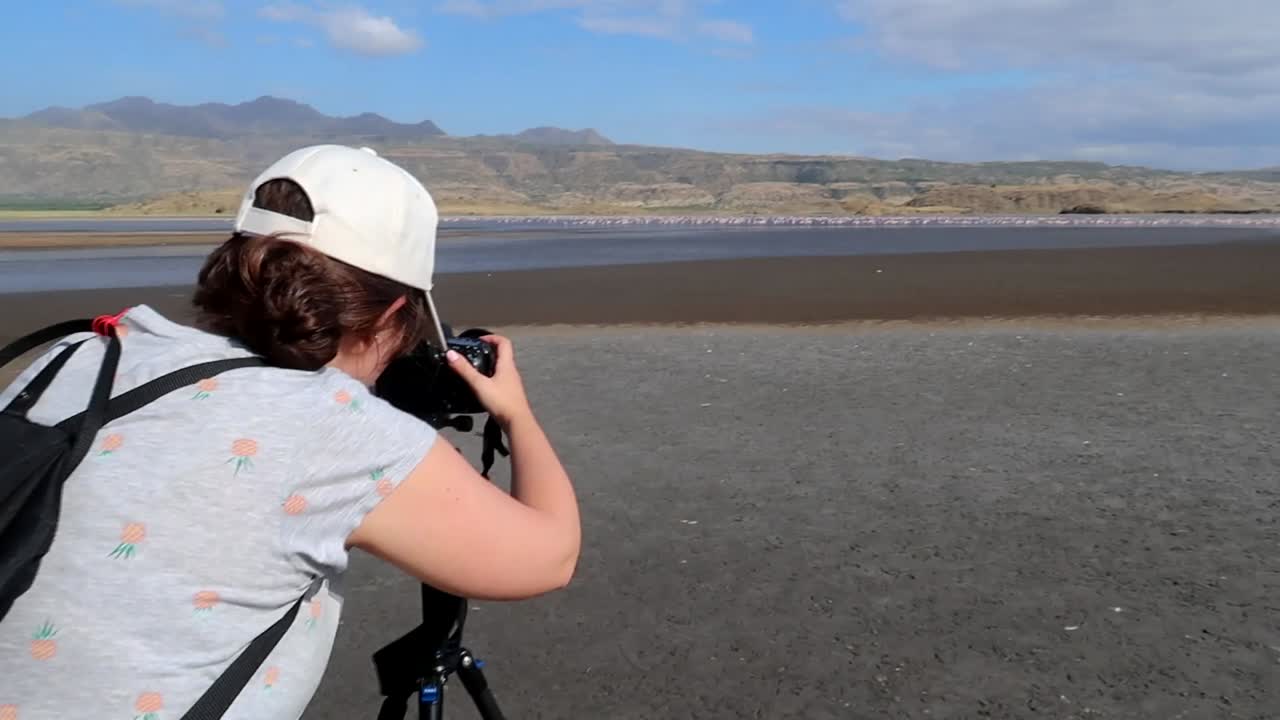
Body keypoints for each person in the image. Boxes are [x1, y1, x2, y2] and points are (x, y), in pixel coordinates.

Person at [0, 145, 581, 719]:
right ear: (390, 314)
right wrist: (515, 414)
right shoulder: (334, 426)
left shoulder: (81, 352)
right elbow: (549, 558)